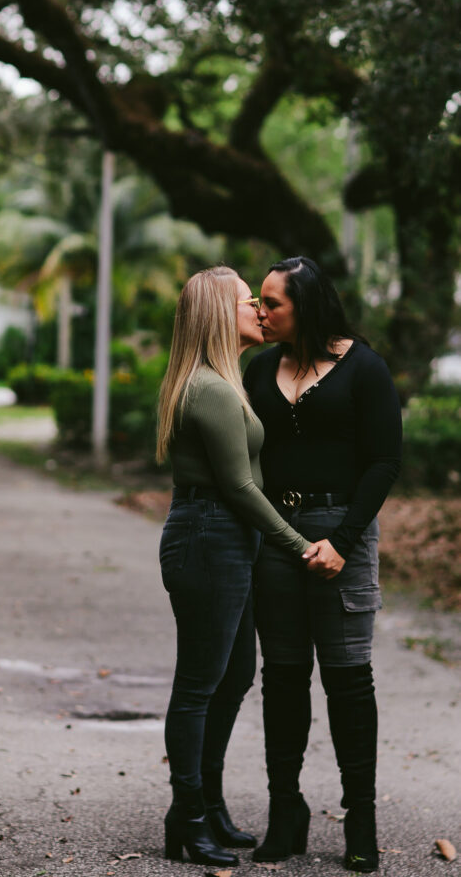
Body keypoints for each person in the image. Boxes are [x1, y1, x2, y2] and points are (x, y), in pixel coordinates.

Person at [155, 266, 320, 866]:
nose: (259, 308)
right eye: (247, 301)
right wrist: (298, 544)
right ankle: (188, 815)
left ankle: (208, 805)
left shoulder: (224, 382)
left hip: (228, 538)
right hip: (209, 536)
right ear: (217, 315)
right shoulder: (210, 389)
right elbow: (240, 487)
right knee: (200, 683)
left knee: (233, 676)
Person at [244, 256, 402, 873]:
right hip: (275, 539)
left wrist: (342, 539)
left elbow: (384, 461)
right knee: (282, 677)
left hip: (343, 535)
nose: (261, 312)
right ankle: (286, 810)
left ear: (305, 307)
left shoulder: (364, 369)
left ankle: (358, 817)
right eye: (257, 301)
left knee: (346, 678)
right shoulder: (259, 368)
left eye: (272, 303)